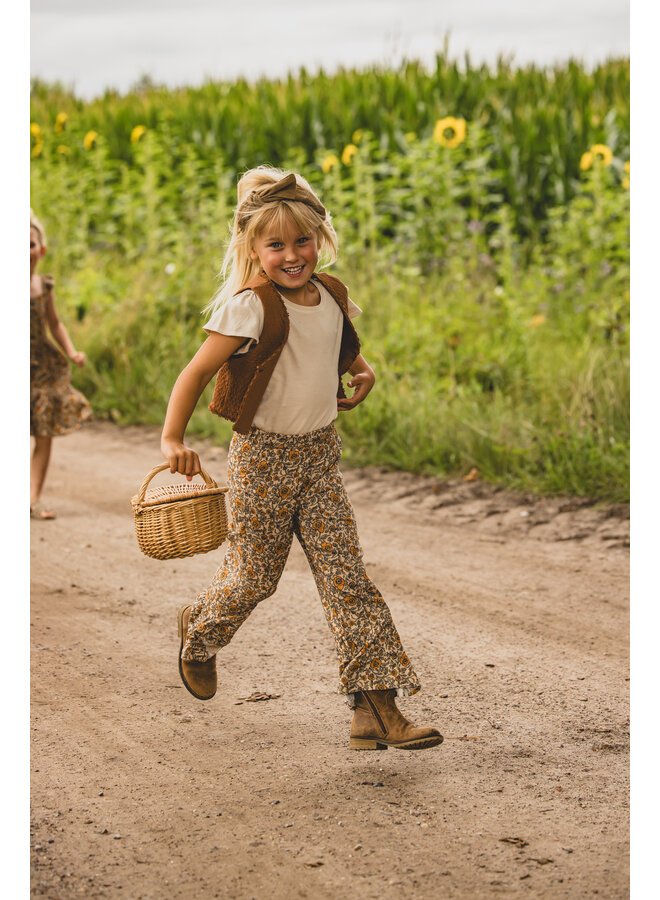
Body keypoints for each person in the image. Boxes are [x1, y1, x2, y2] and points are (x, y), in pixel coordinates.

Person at [161, 168, 442, 751]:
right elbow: (195, 373)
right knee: (253, 579)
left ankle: (376, 708)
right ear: (253, 249)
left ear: (322, 237)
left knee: (347, 580)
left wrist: (362, 370)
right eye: (276, 245)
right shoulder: (249, 308)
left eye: (302, 241)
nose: (292, 256)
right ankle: (201, 633)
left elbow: (338, 348)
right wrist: (172, 440)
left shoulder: (333, 293)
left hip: (319, 457)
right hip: (262, 461)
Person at [30, 210, 92, 519]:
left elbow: (55, 325)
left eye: (29, 244)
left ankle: (34, 498)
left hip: (42, 366)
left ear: (41, 250)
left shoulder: (45, 286)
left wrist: (71, 352)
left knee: (43, 431)